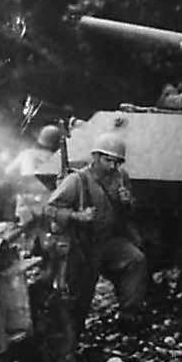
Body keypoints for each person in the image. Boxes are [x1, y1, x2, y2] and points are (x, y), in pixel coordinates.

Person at [45, 133, 148, 337]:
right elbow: (50, 209)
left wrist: (127, 202)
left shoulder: (121, 177)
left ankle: (129, 316)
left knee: (136, 260)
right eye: (107, 160)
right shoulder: (77, 180)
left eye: (116, 161)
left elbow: (129, 212)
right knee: (80, 295)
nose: (112, 166)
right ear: (95, 157)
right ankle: (70, 338)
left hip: (108, 241)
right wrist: (77, 216)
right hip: (82, 245)